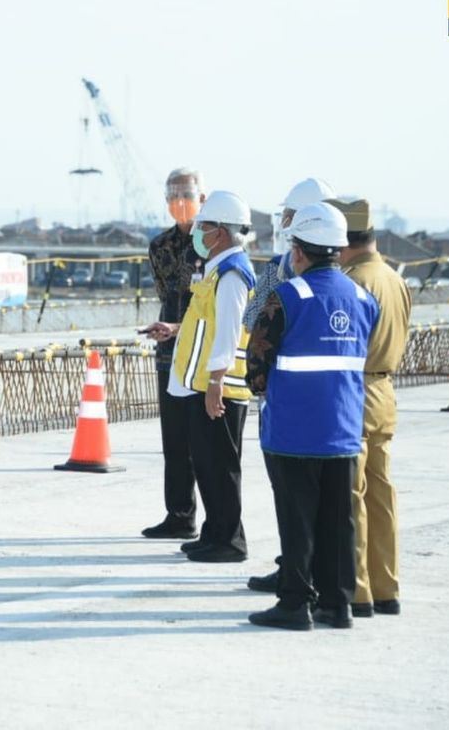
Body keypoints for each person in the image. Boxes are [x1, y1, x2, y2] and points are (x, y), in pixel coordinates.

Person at [245, 202, 379, 630]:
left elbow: (256, 365)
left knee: (297, 521)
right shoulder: (362, 298)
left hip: (293, 432)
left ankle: (294, 603)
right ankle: (336, 605)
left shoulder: (286, 297)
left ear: (298, 252)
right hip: (342, 429)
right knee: (338, 522)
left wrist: (263, 388)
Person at [149, 191, 256, 563]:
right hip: (202, 385)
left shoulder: (232, 274)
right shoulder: (218, 269)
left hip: (219, 388)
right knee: (208, 465)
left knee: (221, 467)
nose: (197, 232)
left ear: (221, 234)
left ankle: (230, 540)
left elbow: (229, 331)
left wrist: (215, 384)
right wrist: (176, 330)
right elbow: (206, 323)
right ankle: (214, 533)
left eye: (204, 227)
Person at [243, 177, 337, 593]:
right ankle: (311, 575)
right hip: (337, 406)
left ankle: (297, 577)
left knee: (292, 494)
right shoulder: (345, 277)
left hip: (286, 402)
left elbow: (251, 323)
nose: (282, 222)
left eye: (286, 215)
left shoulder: (279, 275)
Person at [329, 198, 411, 618]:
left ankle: (358, 591)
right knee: (382, 496)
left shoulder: (352, 281)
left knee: (351, 497)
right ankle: (386, 586)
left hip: (353, 392)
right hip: (384, 392)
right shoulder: (394, 279)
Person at [139, 168, 205, 540]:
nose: (180, 202)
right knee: (174, 440)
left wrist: (181, 328)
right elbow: (167, 295)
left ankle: (220, 524)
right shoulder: (159, 246)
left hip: (204, 351)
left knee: (205, 443)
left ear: (203, 198)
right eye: (173, 195)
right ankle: (179, 514)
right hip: (169, 353)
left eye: (187, 194)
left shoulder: (213, 243)